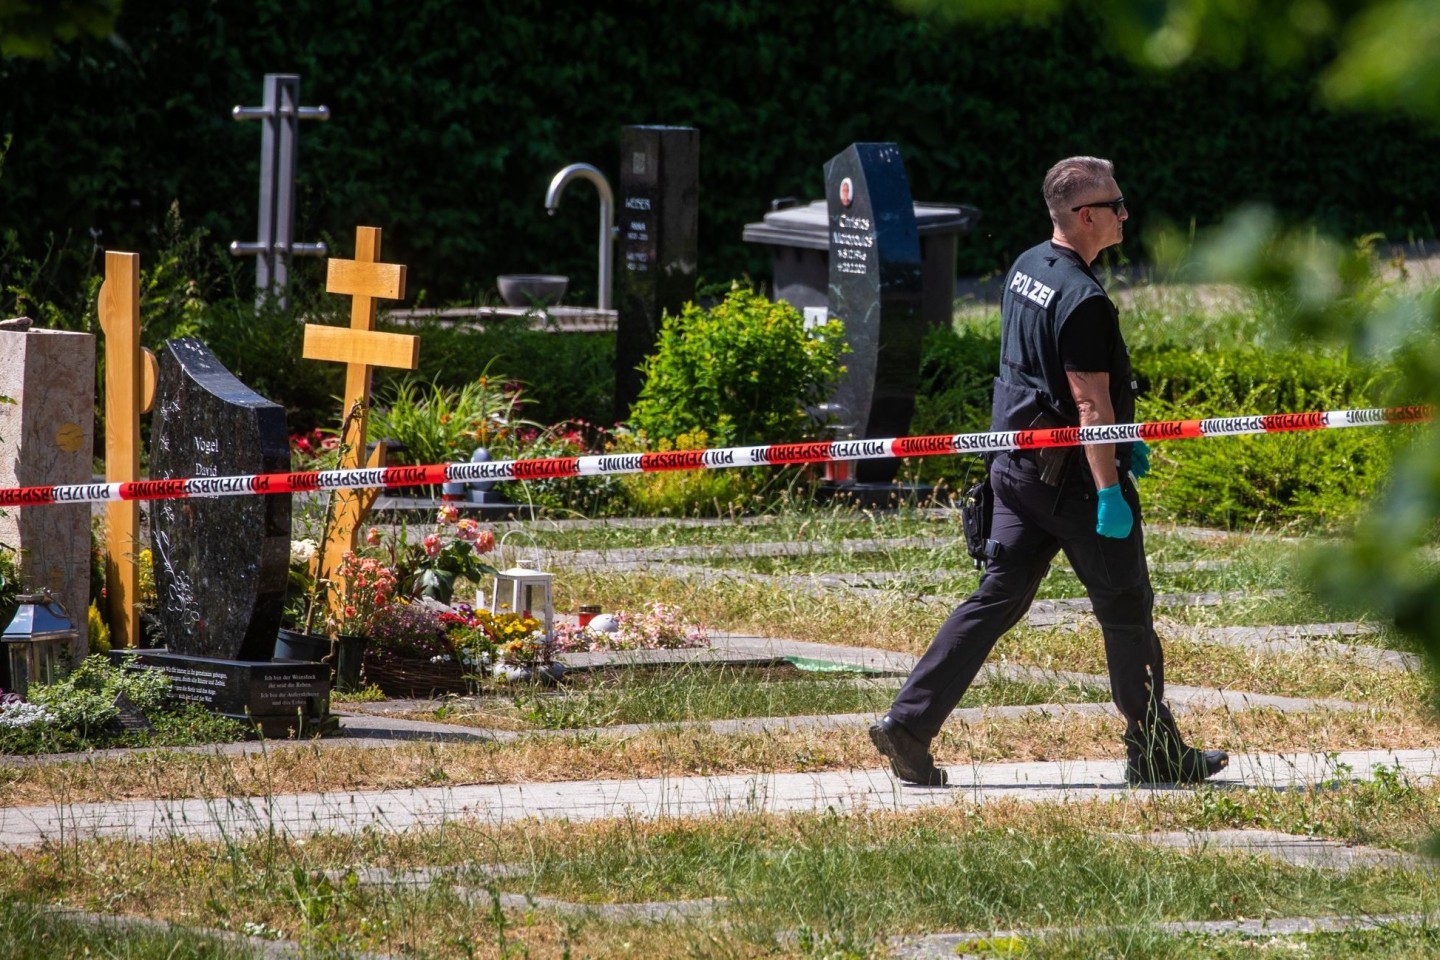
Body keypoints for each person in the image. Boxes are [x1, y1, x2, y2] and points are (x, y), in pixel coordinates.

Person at [869, 156, 1228, 787]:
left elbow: (1031, 374)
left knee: (996, 598)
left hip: (1017, 471)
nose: (1125, 213)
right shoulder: (1083, 299)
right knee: (1125, 608)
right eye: (1117, 205)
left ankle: (908, 724)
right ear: (1086, 215)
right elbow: (1089, 403)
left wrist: (1125, 440)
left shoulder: (1028, 267)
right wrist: (1111, 486)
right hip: (1074, 485)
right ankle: (1155, 753)